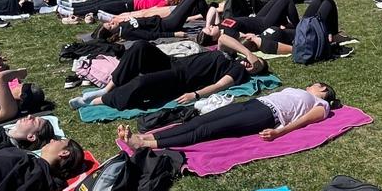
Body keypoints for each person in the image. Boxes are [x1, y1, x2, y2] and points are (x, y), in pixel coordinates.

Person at [117, 81, 339, 151]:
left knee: (207, 130)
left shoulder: (321, 105)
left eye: (316, 85)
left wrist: (279, 132)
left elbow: (303, 121)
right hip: (256, 103)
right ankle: (147, 137)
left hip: (267, 115)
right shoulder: (301, 91)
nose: (311, 86)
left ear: (323, 91)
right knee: (199, 120)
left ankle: (146, 144)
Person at [83, 45, 266, 112]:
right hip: (172, 62)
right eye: (255, 61)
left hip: (180, 78)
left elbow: (219, 85)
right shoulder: (231, 55)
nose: (252, 63)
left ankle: (101, 100)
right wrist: (249, 53)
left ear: (255, 72)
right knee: (140, 47)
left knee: (142, 83)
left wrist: (196, 95)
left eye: (257, 66)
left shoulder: (238, 71)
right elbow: (224, 38)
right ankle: (108, 88)